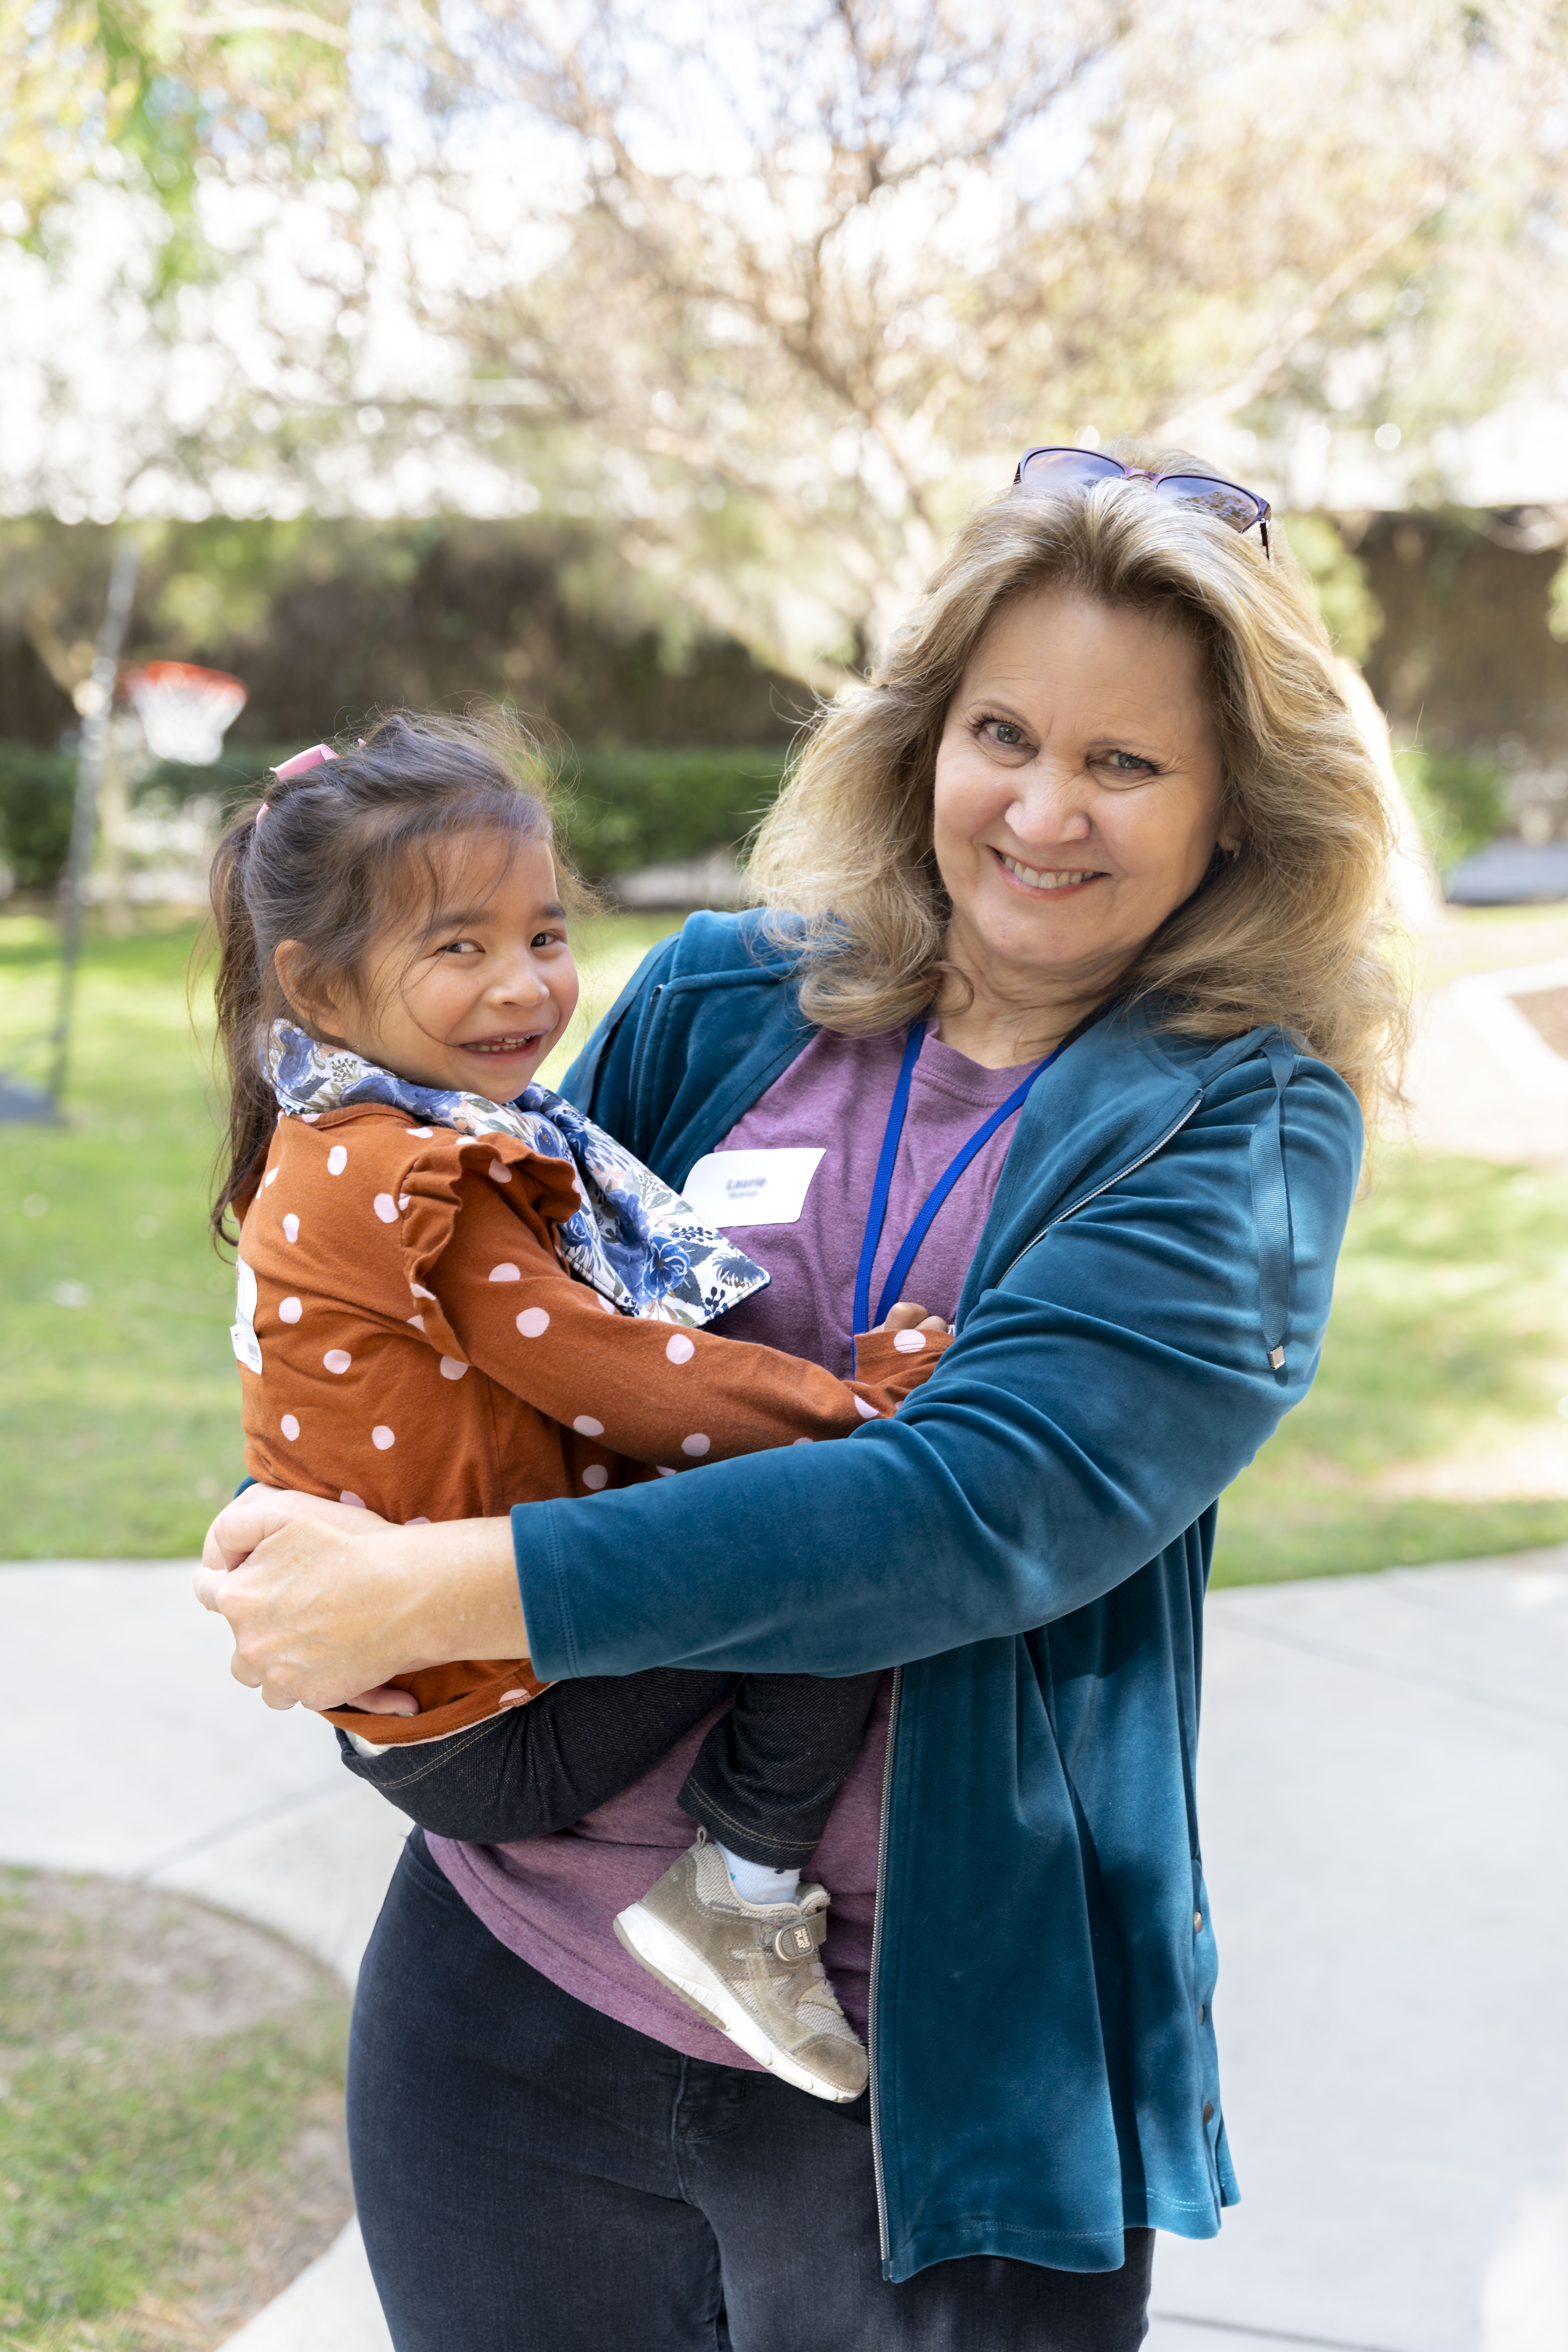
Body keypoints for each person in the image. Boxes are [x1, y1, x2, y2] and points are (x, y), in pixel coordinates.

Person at [198, 442, 1404, 2352]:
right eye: (1004, 731)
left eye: (1126, 762)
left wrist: (433, 1596)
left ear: (1235, 816)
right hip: (507, 2003)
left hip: (914, 2084)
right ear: (923, 737)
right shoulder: (721, 1002)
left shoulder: (1238, 1123)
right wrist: (325, 1518)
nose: (1044, 809)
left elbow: (967, 1514)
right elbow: (485, 1297)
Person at [209, 712, 951, 2103]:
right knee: (840, 1553)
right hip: (487, 1725)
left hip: (419, 1678)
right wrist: (852, 1413)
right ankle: (742, 1881)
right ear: (313, 983)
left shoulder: (347, 1136)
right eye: (457, 947)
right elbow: (612, 1371)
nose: (521, 986)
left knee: (786, 1520)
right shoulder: (412, 1180)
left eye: (543, 936)